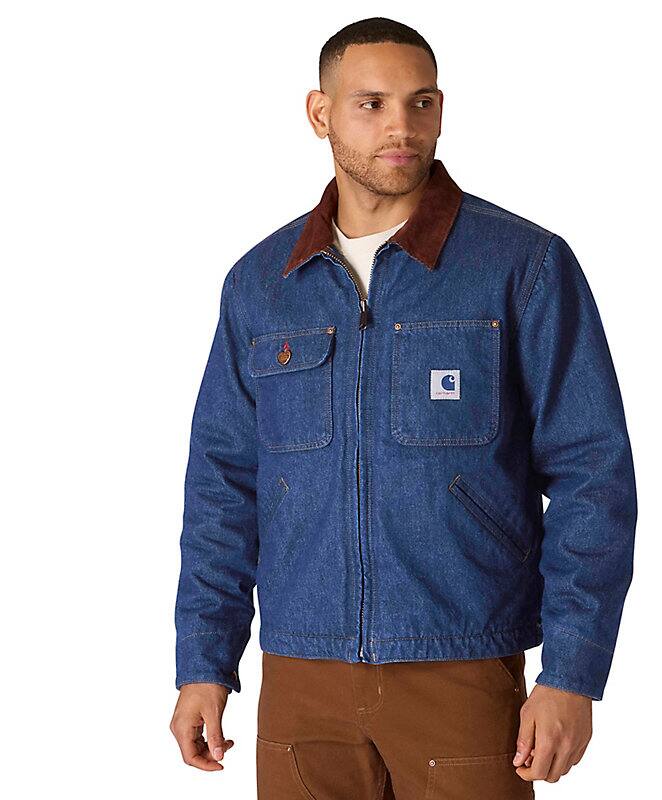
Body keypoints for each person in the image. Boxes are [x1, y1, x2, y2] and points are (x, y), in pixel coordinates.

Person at [169, 16, 637, 798]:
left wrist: (573, 673)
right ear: (320, 113)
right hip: (301, 677)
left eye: (421, 103)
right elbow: (222, 485)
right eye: (372, 104)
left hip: (461, 667)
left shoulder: (521, 265)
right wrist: (203, 664)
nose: (402, 126)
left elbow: (594, 473)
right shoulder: (262, 284)